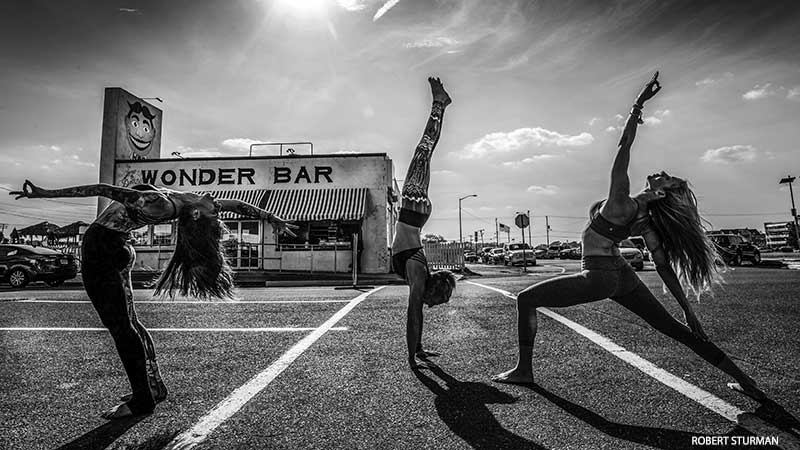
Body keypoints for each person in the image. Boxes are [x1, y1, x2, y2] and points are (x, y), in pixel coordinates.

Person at [492, 72, 766, 402]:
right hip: (621, 273)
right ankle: (746, 382)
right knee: (675, 330)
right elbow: (662, 266)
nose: (660, 173)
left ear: (663, 192)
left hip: (599, 274)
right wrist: (687, 312)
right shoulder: (646, 218)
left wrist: (638, 104)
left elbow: (624, 145)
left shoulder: (623, 200)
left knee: (525, 300)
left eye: (665, 178)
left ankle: (523, 371)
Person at [11, 181, 296, 419]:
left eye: (213, 213)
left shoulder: (157, 203)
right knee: (130, 322)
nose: (217, 207)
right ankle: (153, 387)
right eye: (216, 213)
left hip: (102, 251)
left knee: (121, 328)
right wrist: (272, 218)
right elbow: (236, 205)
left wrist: (45, 194)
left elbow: (101, 188)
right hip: (115, 246)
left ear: (197, 215)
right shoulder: (192, 204)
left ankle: (141, 400)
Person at [391, 77, 457, 369]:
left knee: (424, 151)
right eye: (434, 302)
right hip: (413, 208)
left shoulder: (418, 276)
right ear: (430, 290)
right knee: (423, 150)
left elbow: (416, 313)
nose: (429, 306)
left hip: (415, 214)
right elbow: (413, 315)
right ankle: (439, 103)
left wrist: (417, 350)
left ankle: (440, 103)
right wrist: (411, 357)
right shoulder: (418, 274)